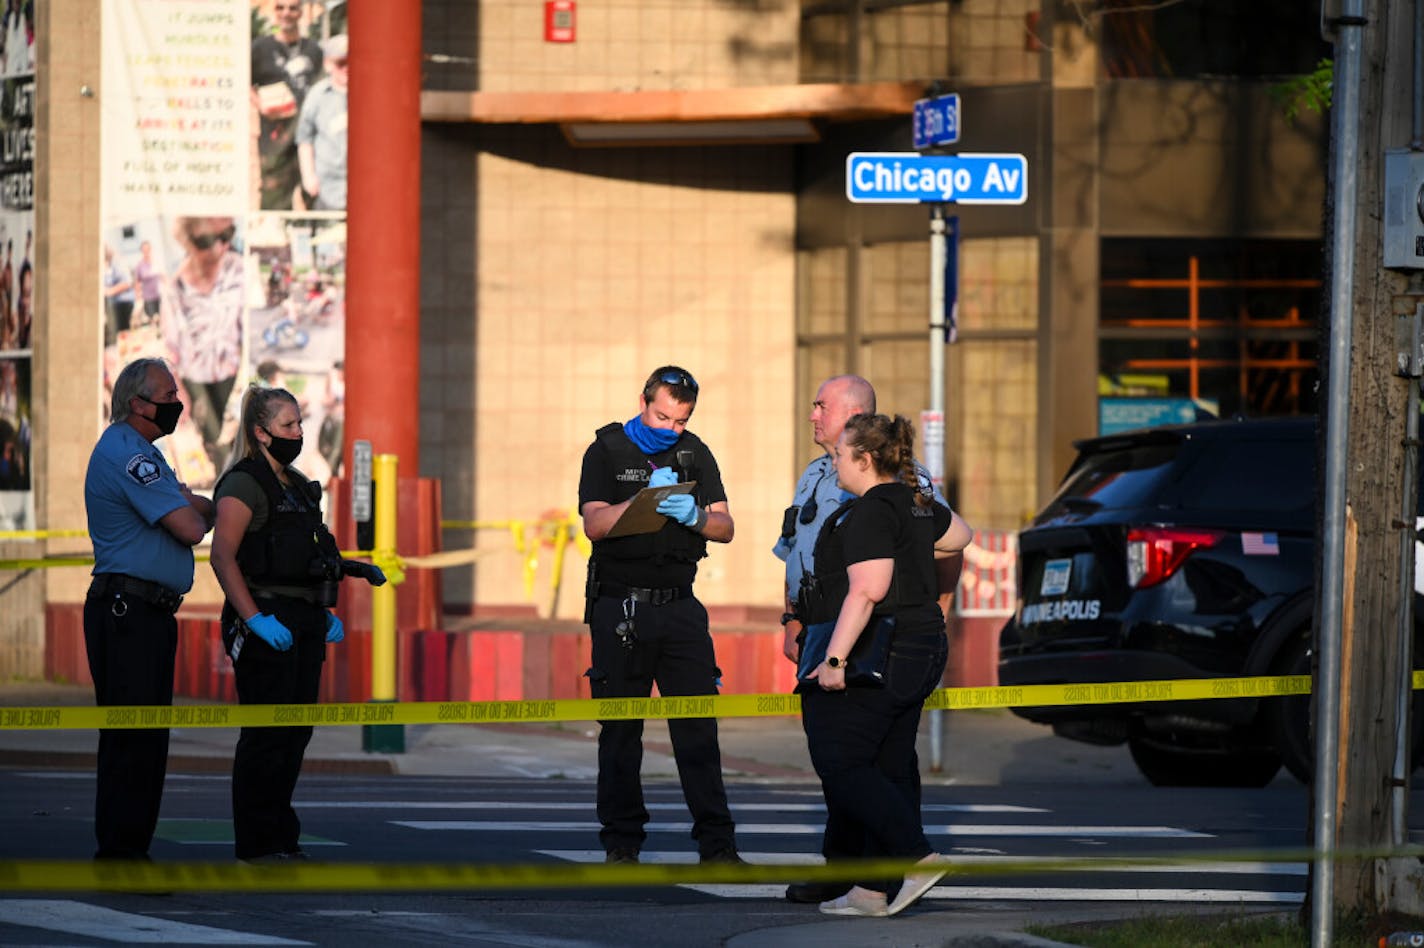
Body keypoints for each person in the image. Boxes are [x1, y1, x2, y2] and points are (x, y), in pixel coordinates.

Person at [772, 374, 968, 904]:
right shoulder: (816, 475)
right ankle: (864, 881)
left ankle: (898, 863)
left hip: (871, 634)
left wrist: (932, 609)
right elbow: (796, 552)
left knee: (853, 757)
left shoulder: (897, 486)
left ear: (856, 421)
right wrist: (792, 621)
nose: (812, 414)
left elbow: (874, 585)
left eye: (822, 405)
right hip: (824, 626)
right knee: (861, 755)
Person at [208, 384, 385, 862]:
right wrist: (255, 619)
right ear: (261, 432)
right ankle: (256, 841)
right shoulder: (245, 483)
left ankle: (282, 836)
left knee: (294, 734)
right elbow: (222, 557)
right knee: (265, 736)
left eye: (300, 423)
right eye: (288, 425)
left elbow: (309, 555)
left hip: (302, 621)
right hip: (266, 618)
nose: (299, 432)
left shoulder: (298, 485)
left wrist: (324, 609)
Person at [578, 365, 743, 865]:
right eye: (662, 415)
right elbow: (593, 524)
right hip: (622, 605)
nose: (670, 427)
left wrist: (694, 516)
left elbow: (726, 525)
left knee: (697, 729)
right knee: (622, 730)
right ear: (644, 400)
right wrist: (643, 504)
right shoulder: (606, 450)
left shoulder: (695, 452)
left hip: (679, 607)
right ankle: (622, 844)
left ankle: (718, 847)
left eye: (679, 420)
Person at [82, 357, 215, 860]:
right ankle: (121, 852)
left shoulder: (144, 453)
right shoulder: (128, 454)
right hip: (127, 612)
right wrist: (192, 504)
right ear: (137, 403)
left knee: (145, 739)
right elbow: (191, 526)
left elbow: (189, 510)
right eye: (166, 396)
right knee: (133, 740)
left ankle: (129, 846)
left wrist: (188, 501)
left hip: (146, 612)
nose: (176, 404)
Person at [161, 216, 243, 465]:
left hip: (233, 371)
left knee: (239, 437)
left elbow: (248, 325)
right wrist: (178, 391)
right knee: (213, 439)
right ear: (188, 242)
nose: (219, 247)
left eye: (226, 235)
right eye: (206, 240)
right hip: (194, 377)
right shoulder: (175, 287)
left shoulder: (239, 270)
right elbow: (171, 346)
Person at [251, 0, 323, 209]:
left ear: (300, 12)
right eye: (280, 7)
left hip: (309, 137)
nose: (286, 13)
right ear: (273, 11)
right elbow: (243, 81)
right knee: (274, 200)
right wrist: (259, 104)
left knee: (313, 194)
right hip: (275, 138)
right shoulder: (260, 48)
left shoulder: (313, 50)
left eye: (292, 8)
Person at [296, 34, 348, 211]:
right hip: (327, 189)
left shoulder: (371, 93)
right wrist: (308, 176)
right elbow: (304, 138)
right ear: (328, 65)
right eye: (340, 63)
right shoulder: (318, 95)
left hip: (366, 187)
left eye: (351, 62)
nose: (346, 68)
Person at [102, 244, 135, 345]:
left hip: (123, 303)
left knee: (123, 333)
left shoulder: (117, 263)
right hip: (115, 304)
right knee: (119, 334)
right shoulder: (108, 265)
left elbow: (127, 282)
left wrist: (109, 291)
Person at [133, 240, 163, 324]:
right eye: (144, 250)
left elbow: (163, 276)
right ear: (142, 251)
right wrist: (138, 297)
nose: (146, 251)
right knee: (153, 320)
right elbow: (137, 282)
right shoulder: (140, 265)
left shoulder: (156, 262)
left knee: (163, 319)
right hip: (149, 298)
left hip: (160, 295)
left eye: (148, 249)